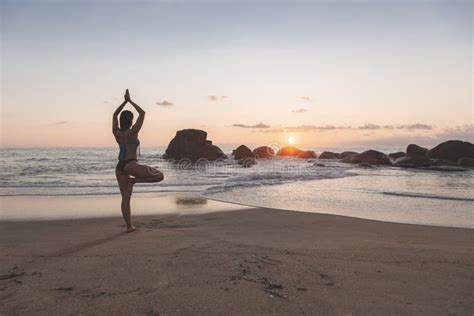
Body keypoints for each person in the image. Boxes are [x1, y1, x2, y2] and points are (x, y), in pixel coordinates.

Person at [112, 89, 164, 232]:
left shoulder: (116, 132)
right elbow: (143, 113)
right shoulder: (133, 132)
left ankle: (129, 227)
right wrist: (130, 101)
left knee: (126, 198)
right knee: (160, 176)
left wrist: (124, 102)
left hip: (120, 166)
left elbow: (115, 114)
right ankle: (134, 181)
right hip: (130, 164)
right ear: (131, 121)